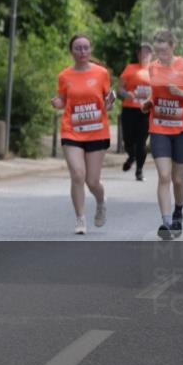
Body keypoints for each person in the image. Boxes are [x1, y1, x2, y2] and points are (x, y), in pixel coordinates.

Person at [139, 30, 183, 240]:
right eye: (158, 51)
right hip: (159, 128)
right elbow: (155, 93)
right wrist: (148, 102)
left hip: (182, 130)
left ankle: (178, 211)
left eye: (164, 50)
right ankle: (167, 222)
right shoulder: (153, 68)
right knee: (164, 176)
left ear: (173, 46)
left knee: (178, 179)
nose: (161, 55)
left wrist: (181, 93)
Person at [51, 34, 115, 235]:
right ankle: (80, 219)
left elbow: (107, 101)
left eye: (85, 48)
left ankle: (100, 201)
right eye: (78, 48)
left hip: (97, 131)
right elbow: (63, 99)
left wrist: (110, 103)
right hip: (72, 130)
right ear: (72, 51)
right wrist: (58, 103)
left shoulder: (101, 73)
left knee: (92, 181)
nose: (82, 52)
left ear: (90, 50)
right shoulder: (65, 76)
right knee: (78, 175)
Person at [118, 43, 153, 181]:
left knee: (141, 141)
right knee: (127, 140)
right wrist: (127, 94)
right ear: (137, 55)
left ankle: (139, 170)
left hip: (145, 111)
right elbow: (120, 88)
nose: (143, 55)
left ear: (151, 55)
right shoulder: (130, 68)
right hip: (129, 109)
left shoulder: (156, 70)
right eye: (141, 53)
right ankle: (131, 156)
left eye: (146, 53)